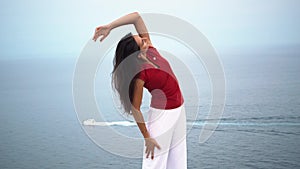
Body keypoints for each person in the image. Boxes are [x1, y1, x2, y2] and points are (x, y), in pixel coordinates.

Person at [93, 12, 187, 169]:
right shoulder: (140, 75)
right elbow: (135, 108)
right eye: (141, 42)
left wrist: (110, 26)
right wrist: (147, 137)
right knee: (155, 162)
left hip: (179, 110)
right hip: (162, 116)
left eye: (140, 37)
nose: (145, 40)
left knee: (178, 161)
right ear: (135, 54)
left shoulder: (150, 48)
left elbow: (136, 17)